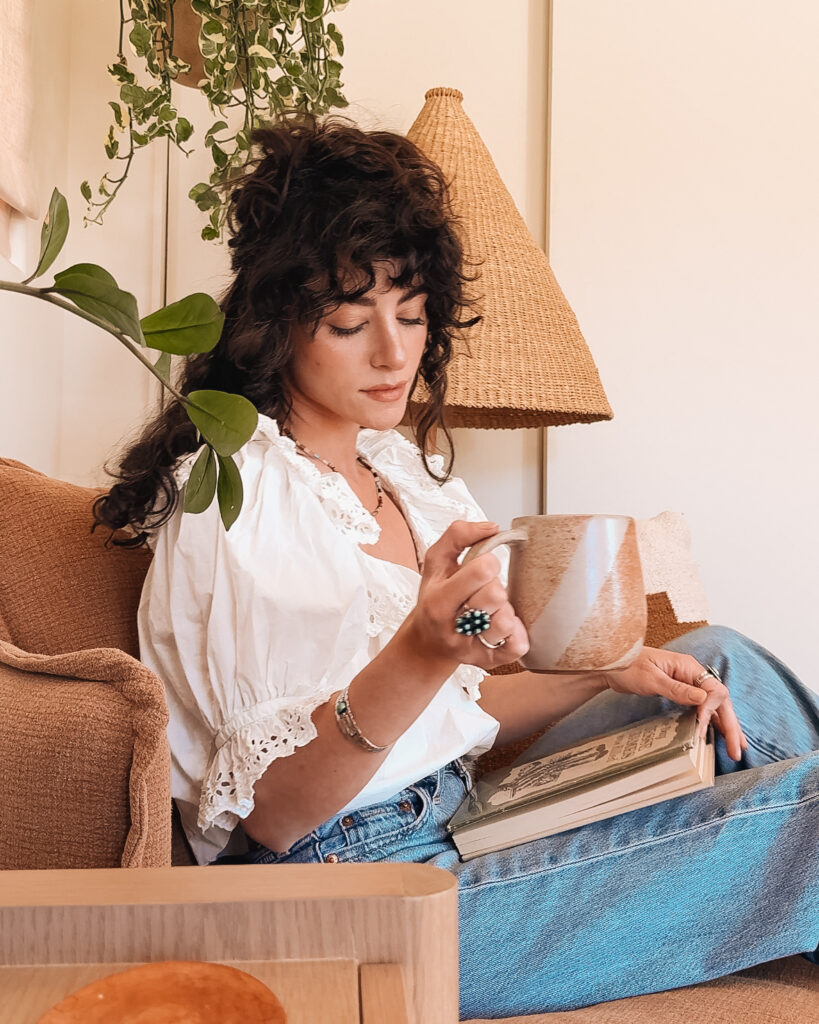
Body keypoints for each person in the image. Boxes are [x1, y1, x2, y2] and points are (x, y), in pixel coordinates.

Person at [95, 114, 819, 1019]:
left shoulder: (396, 470)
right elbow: (274, 816)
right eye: (351, 322)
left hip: (455, 810)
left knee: (718, 660)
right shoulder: (235, 492)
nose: (393, 352)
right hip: (355, 884)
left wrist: (603, 670)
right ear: (276, 323)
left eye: (410, 314)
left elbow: (449, 718)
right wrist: (423, 648)